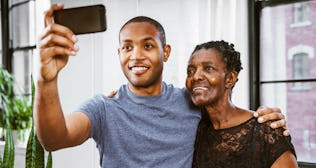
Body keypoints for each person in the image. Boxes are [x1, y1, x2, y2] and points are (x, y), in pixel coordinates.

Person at [35, 4, 289, 168]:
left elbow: (230, 119)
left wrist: (265, 120)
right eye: (127, 47)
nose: (136, 56)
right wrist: (46, 80)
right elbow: (53, 139)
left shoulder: (191, 101)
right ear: (119, 53)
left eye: (147, 46)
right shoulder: (104, 107)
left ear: (165, 52)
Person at [186, 40, 298, 168]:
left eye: (208, 68)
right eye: (190, 71)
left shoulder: (265, 130)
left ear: (230, 79)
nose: (195, 76)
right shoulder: (196, 127)